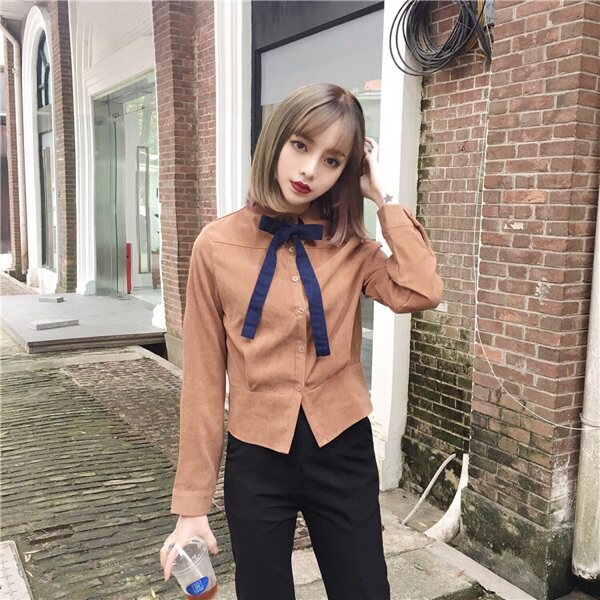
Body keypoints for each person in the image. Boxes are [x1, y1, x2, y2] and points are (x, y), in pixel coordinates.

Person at [160, 82, 443, 599]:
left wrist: (383, 197)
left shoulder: (350, 246)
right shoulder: (215, 246)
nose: (310, 169)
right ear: (276, 140)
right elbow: (202, 381)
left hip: (343, 447)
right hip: (257, 456)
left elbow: (421, 289)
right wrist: (192, 507)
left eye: (332, 160)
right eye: (300, 145)